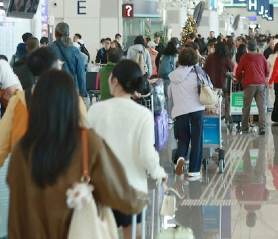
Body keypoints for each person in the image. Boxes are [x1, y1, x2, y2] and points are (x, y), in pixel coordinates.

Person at [7, 70, 146, 238]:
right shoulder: (88, 142)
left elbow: (15, 213)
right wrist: (140, 200)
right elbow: (118, 193)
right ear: (73, 102)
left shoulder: (21, 149)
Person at [87, 60, 167, 237]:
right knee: (134, 234)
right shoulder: (143, 115)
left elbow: (86, 150)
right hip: (132, 188)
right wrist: (158, 173)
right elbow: (147, 155)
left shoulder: (95, 110)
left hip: (101, 188)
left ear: (115, 81)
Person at [0, 47, 89, 172]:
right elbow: (84, 139)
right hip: (64, 173)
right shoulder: (74, 100)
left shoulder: (18, 101)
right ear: (56, 68)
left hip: (26, 172)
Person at [167, 48, 207, 181]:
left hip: (179, 110)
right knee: (197, 138)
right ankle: (194, 170)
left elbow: (169, 94)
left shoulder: (173, 75)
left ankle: (181, 157)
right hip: (196, 108)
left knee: (183, 137)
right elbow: (208, 85)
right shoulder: (197, 71)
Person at [234, 41, 269, 135]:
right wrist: (262, 76)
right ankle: (262, 127)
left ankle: (245, 127)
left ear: (247, 48)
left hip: (249, 84)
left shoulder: (244, 57)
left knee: (246, 107)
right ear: (256, 47)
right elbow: (267, 70)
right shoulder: (261, 57)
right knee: (261, 107)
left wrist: (239, 79)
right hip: (261, 84)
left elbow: (238, 71)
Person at [51, 22, 87, 97]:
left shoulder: (48, 50)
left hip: (53, 91)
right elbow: (81, 73)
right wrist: (83, 93)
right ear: (68, 34)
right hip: (71, 90)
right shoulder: (75, 51)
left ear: (55, 34)